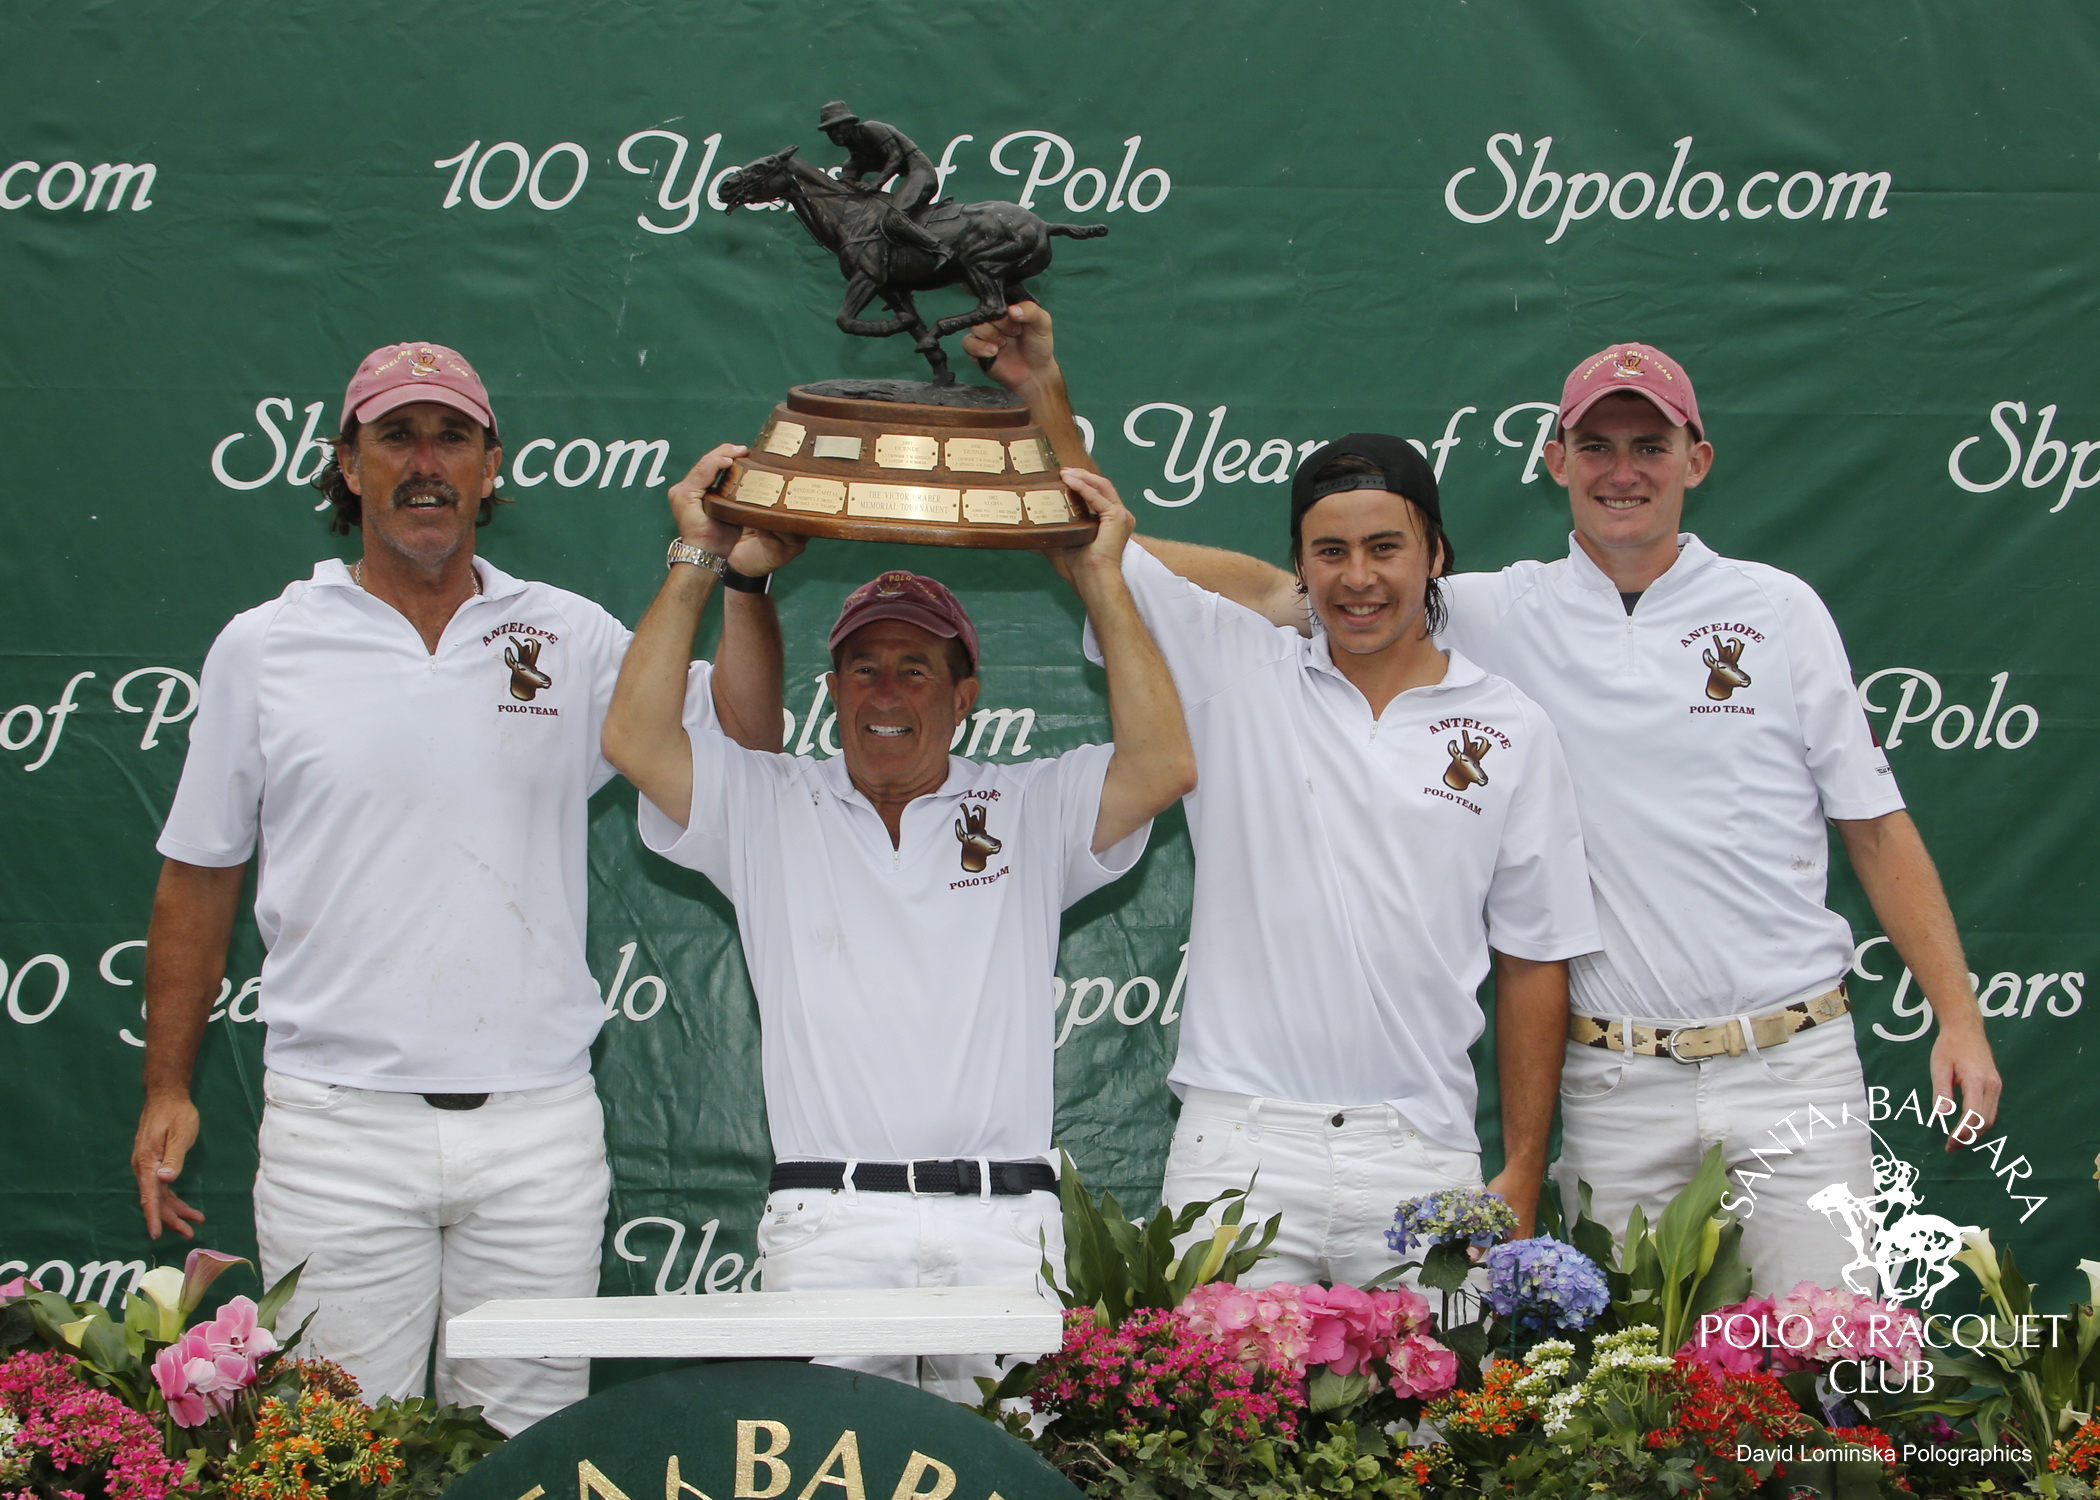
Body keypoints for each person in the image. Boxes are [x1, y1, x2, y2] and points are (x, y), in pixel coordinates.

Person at [1124, 339, 2003, 1294]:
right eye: (1596, 445)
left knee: (1832, 1357)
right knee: (1625, 1404)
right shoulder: (1478, 609)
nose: (1621, 472)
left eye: (1650, 445)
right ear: (1556, 460)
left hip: (1796, 1062)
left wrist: (1957, 1015)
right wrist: (1106, 539)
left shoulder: (1780, 610)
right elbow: (1279, 591)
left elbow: (1873, 824)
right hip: (1614, 1079)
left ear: (1696, 460)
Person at [127, 341, 785, 1432]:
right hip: (337, 1131)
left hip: (536, 1129)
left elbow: (747, 741)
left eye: (451, 438)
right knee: (334, 1453)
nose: (424, 462)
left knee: (527, 1456)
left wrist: (743, 578)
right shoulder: (265, 645)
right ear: (347, 465)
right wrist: (166, 1087)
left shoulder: (568, 636)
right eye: (396, 436)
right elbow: (198, 877)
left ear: (492, 470)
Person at [963, 307, 1601, 1288]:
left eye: (1385, 548)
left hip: (1421, 1150)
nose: (1358, 579)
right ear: (1298, 564)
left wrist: (1520, 1163)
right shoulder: (1235, 665)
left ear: (1436, 554)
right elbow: (1092, 533)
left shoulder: (1512, 726)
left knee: (1435, 1445)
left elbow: (1532, 962)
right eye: (1329, 553)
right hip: (1238, 1147)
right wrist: (1042, 389)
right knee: (1203, 1443)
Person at [600, 442, 1195, 1399]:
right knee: (836, 1470)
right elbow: (633, 737)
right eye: (863, 668)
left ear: (964, 699)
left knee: (1006, 1474)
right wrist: (698, 554)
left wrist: (1101, 578)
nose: (885, 692)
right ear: (829, 692)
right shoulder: (767, 803)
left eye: (915, 669)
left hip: (1004, 1225)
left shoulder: (1028, 805)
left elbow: (1163, 763)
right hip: (830, 1225)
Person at [818, 99, 950, 259]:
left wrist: (876, 183)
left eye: (837, 127)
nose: (834, 133)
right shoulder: (853, 162)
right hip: (909, 179)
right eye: (829, 130)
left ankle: (941, 248)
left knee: (894, 218)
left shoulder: (872, 129)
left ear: (850, 123)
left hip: (921, 172)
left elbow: (896, 155)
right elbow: (844, 188)